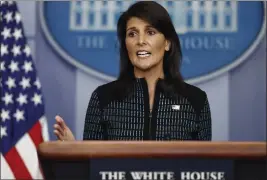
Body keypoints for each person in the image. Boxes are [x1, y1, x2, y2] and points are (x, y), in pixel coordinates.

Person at [54, 1, 212, 141]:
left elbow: (205, 170)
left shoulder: (196, 100)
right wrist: (74, 152)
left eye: (150, 32)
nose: (141, 41)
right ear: (125, 44)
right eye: (132, 34)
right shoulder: (103, 98)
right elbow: (92, 170)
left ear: (167, 44)